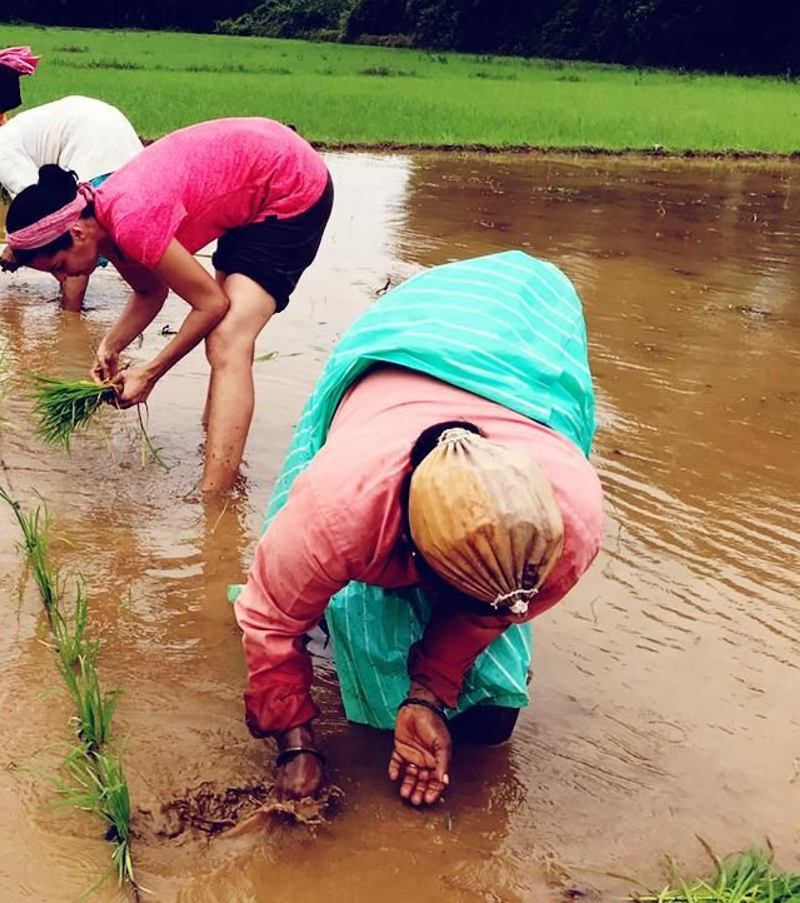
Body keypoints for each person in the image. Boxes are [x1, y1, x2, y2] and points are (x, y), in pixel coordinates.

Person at [233, 251, 604, 809]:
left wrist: (428, 696)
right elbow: (271, 620)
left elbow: (496, 612)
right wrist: (295, 743)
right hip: (413, 338)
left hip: (523, 342)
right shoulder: (341, 509)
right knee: (318, 615)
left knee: (489, 724)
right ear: (409, 549)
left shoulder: (568, 526)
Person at [3, 117, 333, 493]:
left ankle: (215, 502)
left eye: (59, 267)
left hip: (290, 185)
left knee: (227, 340)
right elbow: (150, 292)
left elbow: (211, 303)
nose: (63, 280)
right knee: (228, 344)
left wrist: (150, 372)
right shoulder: (106, 227)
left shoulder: (130, 219)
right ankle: (220, 454)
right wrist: (109, 346)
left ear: (76, 233)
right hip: (251, 190)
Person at [0, 95, 144, 312]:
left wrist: (16, 247)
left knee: (73, 238)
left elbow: (44, 212)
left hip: (95, 152)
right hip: (122, 146)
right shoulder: (11, 136)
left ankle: (70, 322)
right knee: (118, 246)